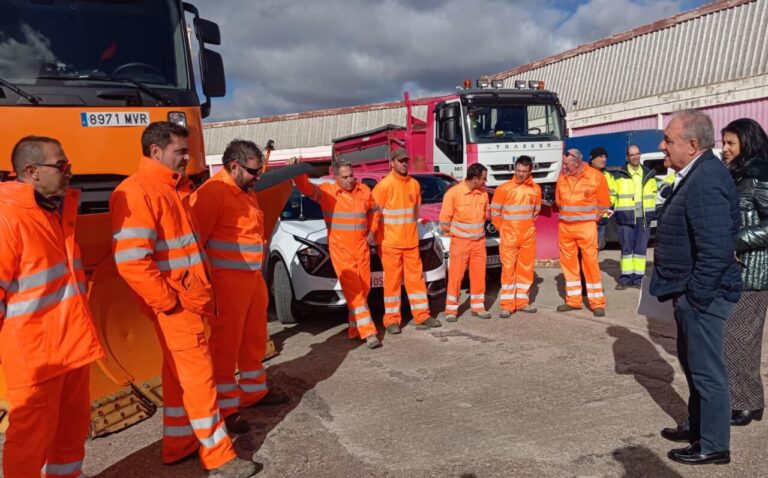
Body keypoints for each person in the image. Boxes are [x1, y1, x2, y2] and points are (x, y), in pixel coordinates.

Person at [110, 122, 256, 477]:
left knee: (178, 379)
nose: (187, 158)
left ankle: (179, 445)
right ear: (156, 152)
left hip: (186, 302)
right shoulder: (137, 192)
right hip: (177, 305)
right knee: (199, 381)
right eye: (181, 152)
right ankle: (219, 457)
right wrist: (170, 303)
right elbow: (131, 261)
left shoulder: (172, 189)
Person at [0, 136, 105, 478]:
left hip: (70, 348)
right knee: (30, 441)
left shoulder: (53, 212)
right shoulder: (8, 219)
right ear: (31, 171)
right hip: (36, 358)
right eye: (61, 165)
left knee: (71, 432)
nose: (69, 172)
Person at [651, 109, 741, 466]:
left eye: (668, 140)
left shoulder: (705, 180)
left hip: (703, 295)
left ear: (692, 145)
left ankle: (714, 444)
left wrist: (696, 297)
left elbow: (716, 248)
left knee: (707, 370)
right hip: (690, 290)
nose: (662, 146)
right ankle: (699, 427)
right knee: (694, 365)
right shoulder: (695, 174)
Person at [191, 139, 288, 436]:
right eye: (253, 172)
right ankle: (226, 408)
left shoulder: (244, 191)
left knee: (253, 340)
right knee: (224, 349)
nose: (258, 177)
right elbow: (196, 242)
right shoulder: (212, 194)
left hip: (250, 280)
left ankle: (253, 391)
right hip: (225, 284)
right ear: (234, 166)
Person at [287, 156, 381, 349]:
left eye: (351, 176)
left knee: (363, 290)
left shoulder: (363, 190)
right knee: (354, 292)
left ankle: (354, 329)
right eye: (345, 177)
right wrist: (298, 173)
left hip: (361, 249)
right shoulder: (327, 192)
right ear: (336, 177)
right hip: (341, 251)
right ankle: (369, 332)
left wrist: (372, 231)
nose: (349, 180)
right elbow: (306, 189)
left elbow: (375, 210)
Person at [720, 118, 768, 426]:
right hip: (738, 270)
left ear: (747, 144)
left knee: (739, 339)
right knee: (737, 339)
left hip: (754, 272)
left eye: (730, 144)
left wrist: (734, 240)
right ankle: (750, 401)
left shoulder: (760, 174)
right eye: (723, 143)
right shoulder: (739, 174)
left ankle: (746, 403)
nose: (724, 149)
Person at [371, 147, 442, 333]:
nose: (404, 164)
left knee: (416, 281)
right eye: (400, 161)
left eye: (406, 161)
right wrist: (372, 238)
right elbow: (374, 215)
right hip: (389, 244)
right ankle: (392, 320)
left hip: (410, 242)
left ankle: (422, 315)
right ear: (392, 163)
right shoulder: (384, 186)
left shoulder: (414, 185)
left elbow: (415, 213)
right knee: (392, 283)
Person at [555, 148, 611, 317]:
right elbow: (559, 201)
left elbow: (604, 203)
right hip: (565, 227)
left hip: (586, 227)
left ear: (577, 162)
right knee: (569, 265)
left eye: (566, 164)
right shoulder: (562, 179)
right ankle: (573, 300)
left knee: (590, 264)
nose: (564, 167)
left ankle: (597, 303)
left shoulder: (595, 176)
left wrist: (594, 219)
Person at [490, 156, 541, 317]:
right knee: (508, 269)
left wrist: (526, 229)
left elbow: (536, 212)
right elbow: (495, 213)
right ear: (514, 169)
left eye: (524, 171)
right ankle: (507, 304)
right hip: (509, 236)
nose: (520, 174)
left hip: (527, 236)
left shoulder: (535, 189)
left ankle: (522, 301)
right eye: (518, 170)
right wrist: (503, 229)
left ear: (530, 171)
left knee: (525, 269)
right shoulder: (503, 188)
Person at [440, 163, 490, 321]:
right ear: (475, 178)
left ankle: (478, 306)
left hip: (479, 242)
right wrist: (454, 235)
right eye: (483, 178)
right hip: (460, 242)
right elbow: (444, 220)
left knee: (479, 275)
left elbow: (483, 216)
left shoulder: (483, 194)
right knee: (456, 276)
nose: (485, 181)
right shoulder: (454, 194)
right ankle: (451, 310)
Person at [611, 144, 657, 289]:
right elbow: (612, 196)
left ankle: (638, 279)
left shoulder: (649, 174)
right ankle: (625, 279)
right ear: (627, 157)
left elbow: (654, 194)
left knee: (640, 250)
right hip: (625, 216)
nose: (635, 156)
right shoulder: (618, 175)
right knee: (626, 249)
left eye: (637, 153)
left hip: (644, 218)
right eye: (632, 155)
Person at [589, 146, 616, 249]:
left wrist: (608, 206)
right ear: (592, 159)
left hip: (602, 218)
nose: (604, 159)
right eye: (600, 156)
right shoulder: (586, 175)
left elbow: (613, 194)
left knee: (596, 249)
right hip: (588, 219)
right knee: (587, 250)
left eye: (605, 157)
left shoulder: (608, 176)